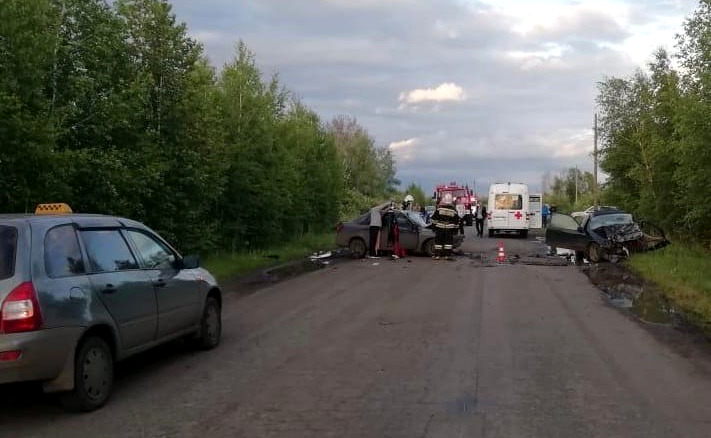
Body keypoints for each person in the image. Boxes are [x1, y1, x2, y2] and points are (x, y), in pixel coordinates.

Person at [431, 193, 460, 260]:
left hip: (440, 228)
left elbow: (434, 219)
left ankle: (437, 255)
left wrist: (433, 227)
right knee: (448, 243)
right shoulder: (454, 210)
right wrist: (455, 230)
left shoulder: (439, 209)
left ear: (444, 201)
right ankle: (447, 256)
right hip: (449, 230)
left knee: (438, 242)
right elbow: (456, 221)